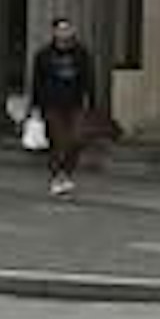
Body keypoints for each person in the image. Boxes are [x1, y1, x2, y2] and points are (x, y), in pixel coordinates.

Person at [26, 12, 106, 192]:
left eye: (67, 29)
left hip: (75, 103)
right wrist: (34, 107)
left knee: (76, 139)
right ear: (54, 32)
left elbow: (89, 79)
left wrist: (92, 103)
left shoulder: (81, 53)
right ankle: (57, 176)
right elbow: (37, 82)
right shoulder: (43, 55)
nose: (64, 33)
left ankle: (67, 172)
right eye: (60, 29)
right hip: (52, 104)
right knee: (59, 140)